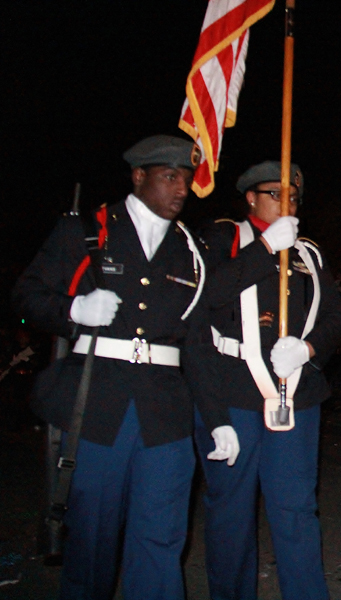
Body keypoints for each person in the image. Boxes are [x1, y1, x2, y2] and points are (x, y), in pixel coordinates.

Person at [12, 135, 235, 600]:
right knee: (91, 541)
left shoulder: (190, 250)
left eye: (187, 179)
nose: (181, 189)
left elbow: (196, 344)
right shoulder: (88, 231)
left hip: (165, 414)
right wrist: (74, 310)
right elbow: (27, 295)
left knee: (161, 539)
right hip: (97, 409)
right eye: (169, 177)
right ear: (138, 177)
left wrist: (217, 420)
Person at [196, 160, 341, 600]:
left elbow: (336, 315)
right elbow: (206, 297)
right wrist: (263, 249)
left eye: (294, 196)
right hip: (233, 391)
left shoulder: (308, 252)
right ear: (250, 197)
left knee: (296, 508)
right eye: (276, 194)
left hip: (295, 394)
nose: (287, 202)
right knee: (230, 511)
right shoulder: (224, 237)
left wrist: (309, 349)